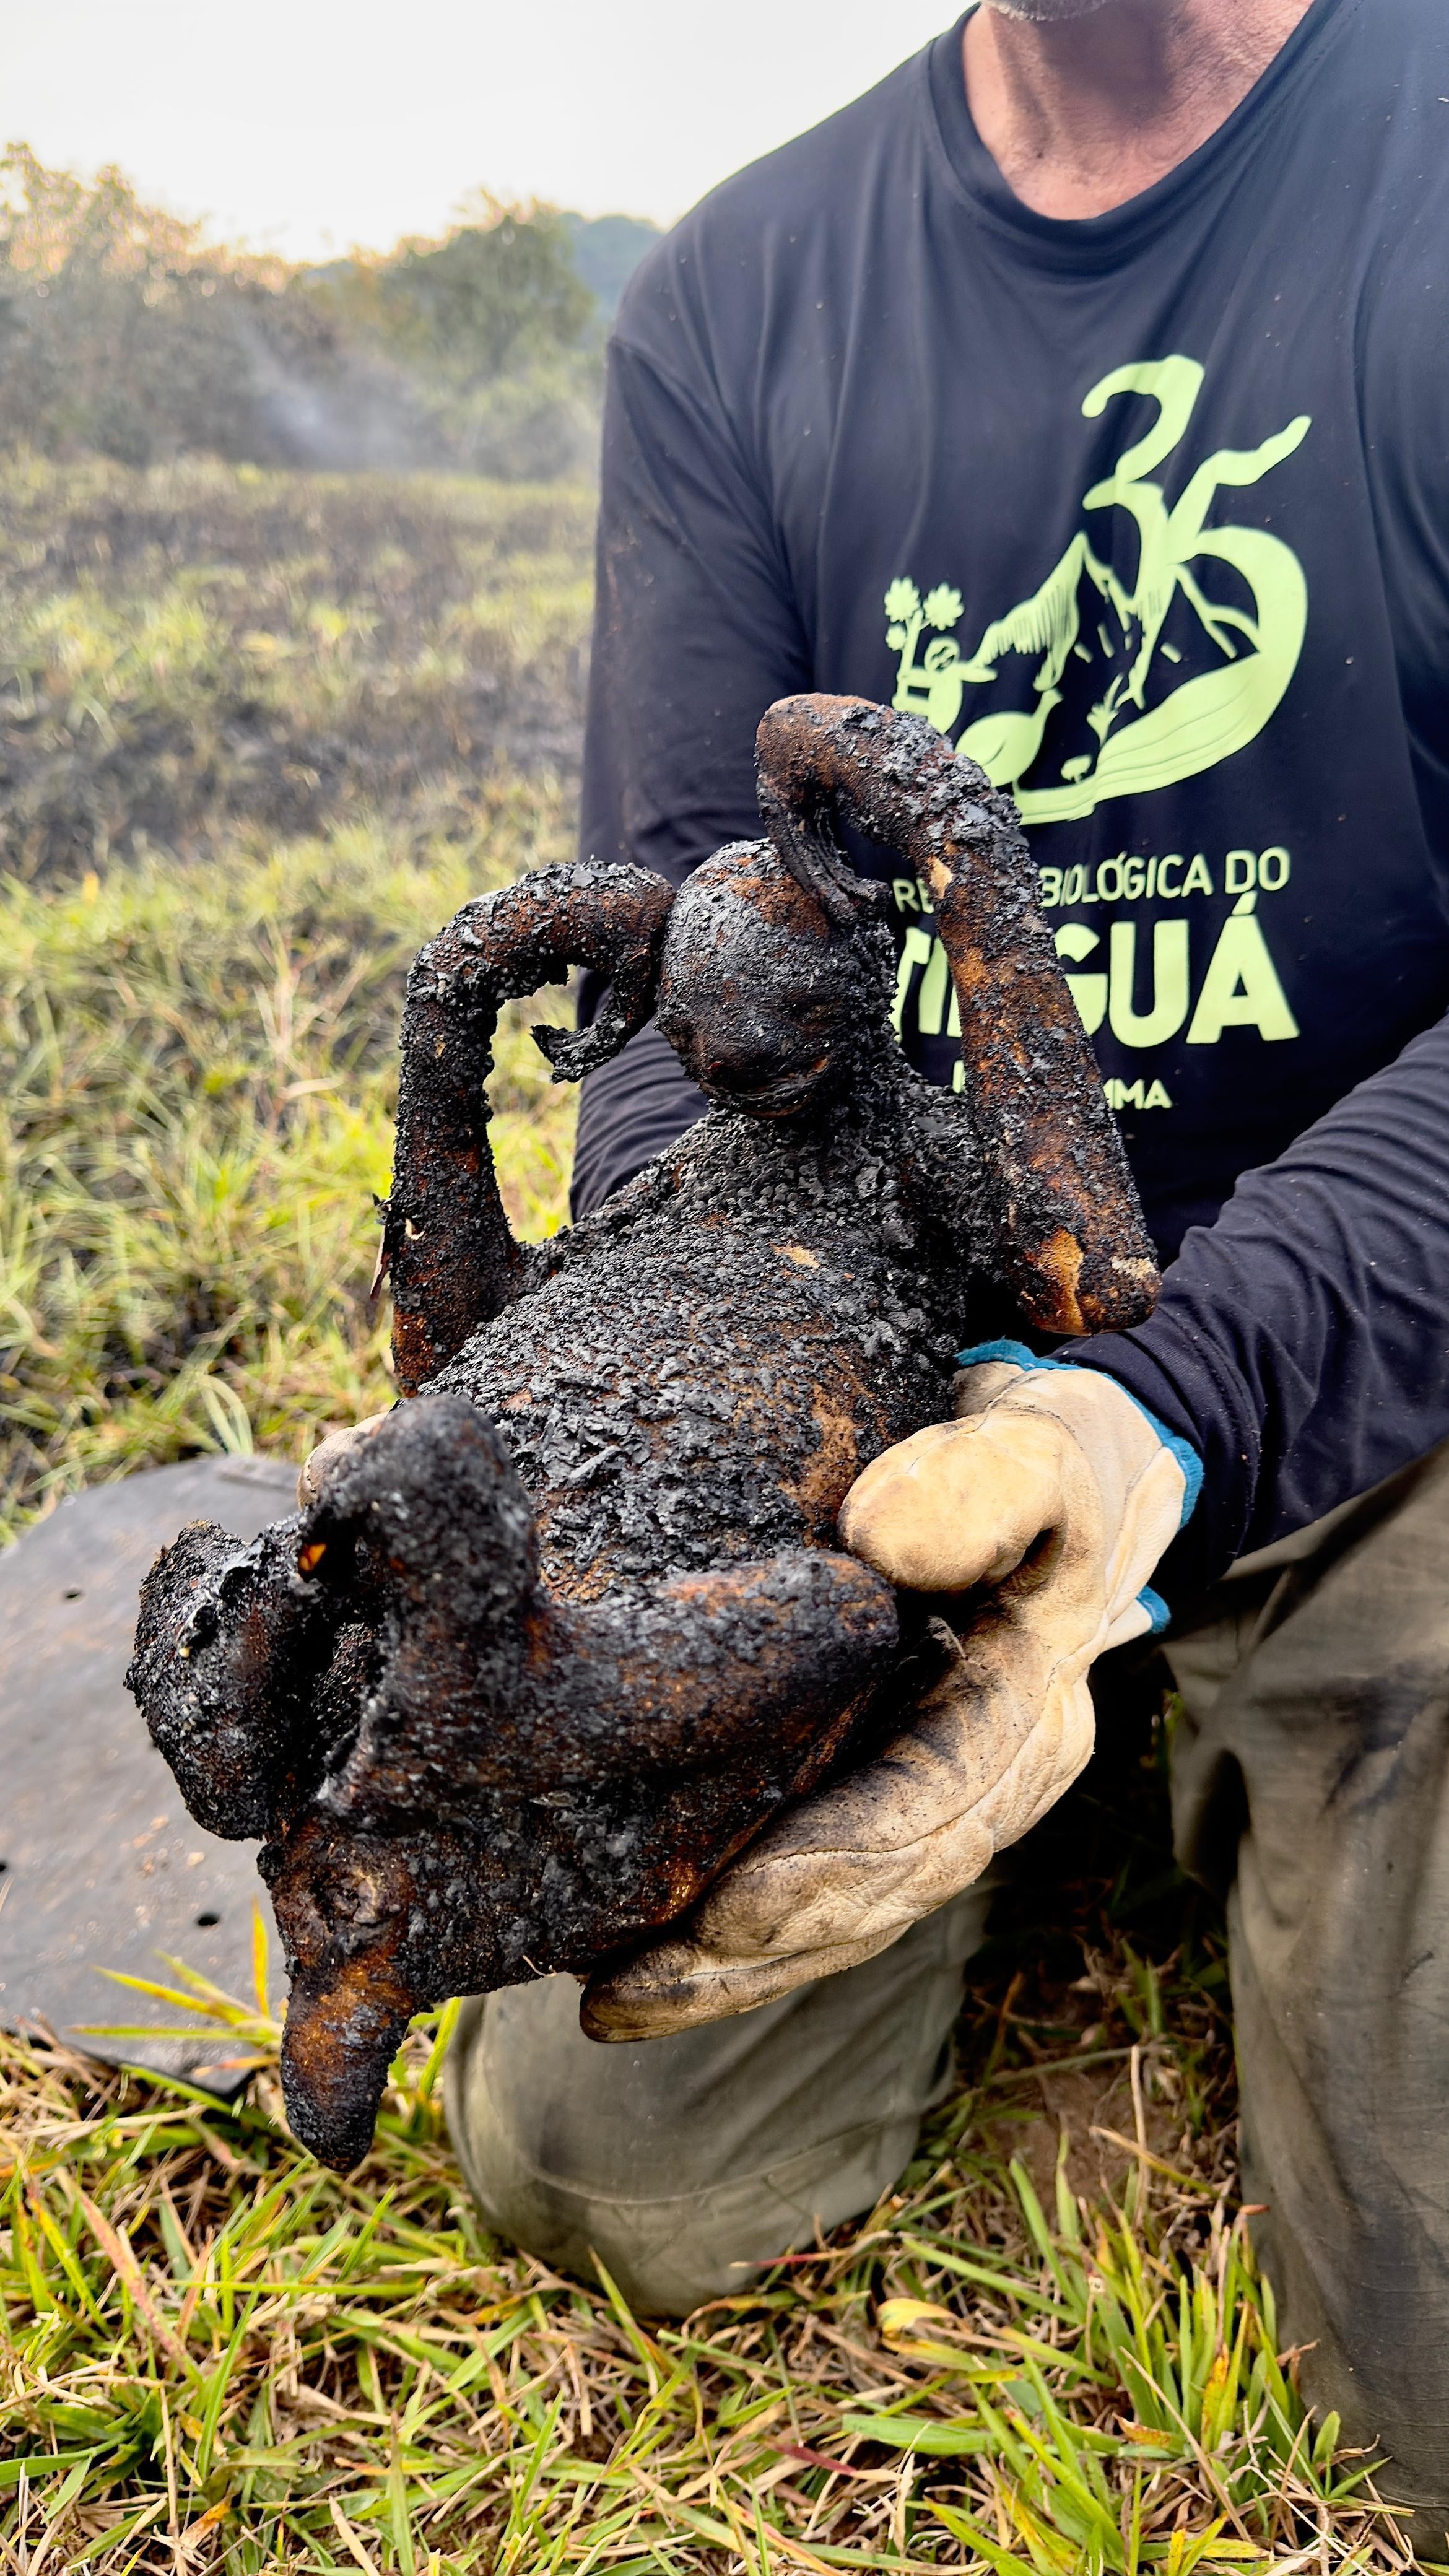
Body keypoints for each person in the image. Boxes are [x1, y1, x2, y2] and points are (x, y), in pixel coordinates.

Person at [435, 0, 1449, 2544]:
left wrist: (1160, 1409)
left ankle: (1217, 1721)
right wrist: (751, 1424)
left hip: (1394, 1357)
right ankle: (1088, 1743)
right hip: (907, 1407)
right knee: (599, 2154)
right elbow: (682, 994)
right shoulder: (743, 299)